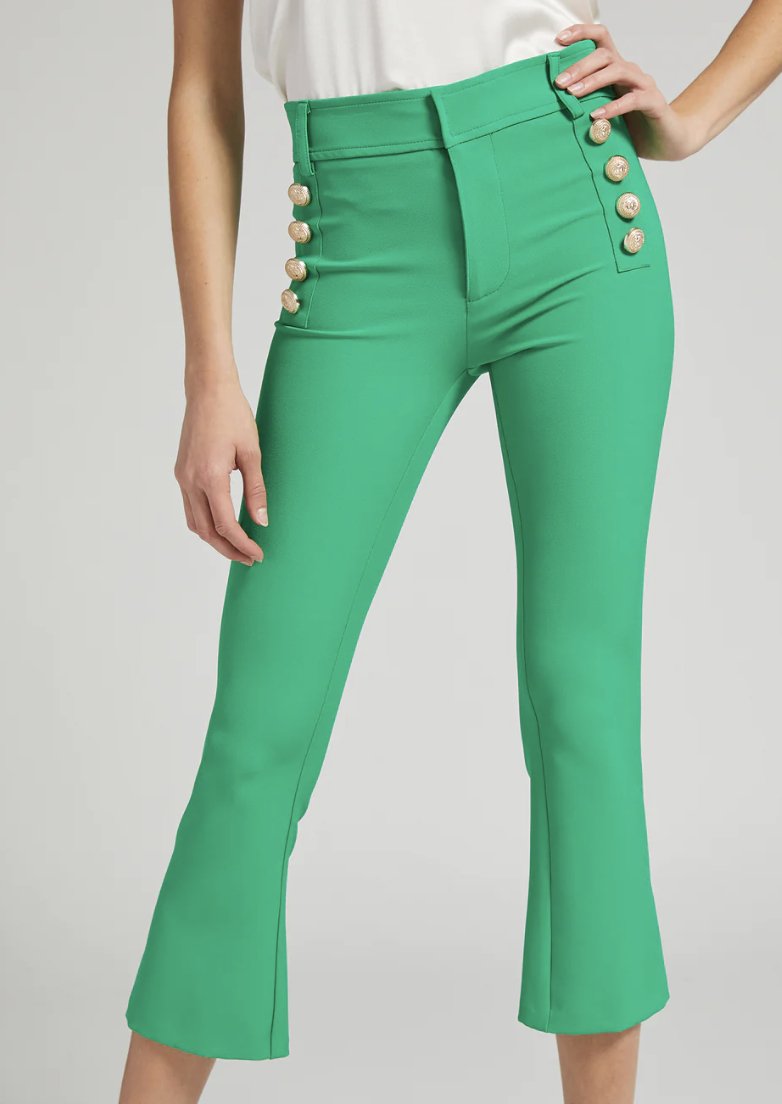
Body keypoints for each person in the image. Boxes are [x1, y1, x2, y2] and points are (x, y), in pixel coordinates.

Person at [118, 2, 782, 1102]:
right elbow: (202, 84)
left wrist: (700, 111)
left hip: (574, 209)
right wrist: (209, 373)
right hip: (357, 239)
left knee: (581, 706)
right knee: (258, 731)